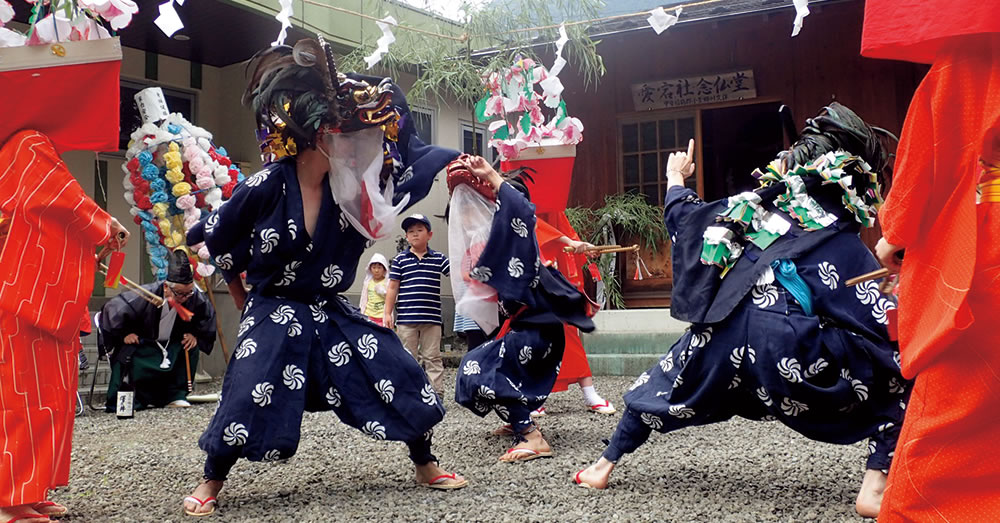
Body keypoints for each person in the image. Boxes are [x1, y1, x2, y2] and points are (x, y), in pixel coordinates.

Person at [573, 104, 910, 518]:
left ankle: (602, 465)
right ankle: (874, 488)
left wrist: (676, 178)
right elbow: (879, 318)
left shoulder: (752, 209)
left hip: (725, 336)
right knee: (905, 376)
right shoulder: (838, 238)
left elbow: (688, 220)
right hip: (791, 351)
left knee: (664, 379)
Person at [182, 38, 467, 517]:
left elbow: (419, 161)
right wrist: (246, 299)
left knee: (394, 366)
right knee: (249, 382)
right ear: (323, 135)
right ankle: (212, 479)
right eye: (357, 140)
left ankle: (425, 462)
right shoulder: (266, 184)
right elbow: (221, 240)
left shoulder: (352, 193)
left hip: (328, 307)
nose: (366, 150)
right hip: (273, 305)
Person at [861, 4, 1000, 518]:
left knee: (956, 412)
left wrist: (893, 238)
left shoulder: (966, 61)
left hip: (987, 252)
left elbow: (924, 166)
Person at [0, 129, 130, 523]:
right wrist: (103, 223)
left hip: (39, 296)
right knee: (20, 398)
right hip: (20, 298)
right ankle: (9, 499)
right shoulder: (27, 143)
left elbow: (53, 210)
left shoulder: (27, 145)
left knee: (50, 398)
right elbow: (59, 199)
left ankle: (33, 488)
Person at [450, 156, 597, 462]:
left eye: (469, 207)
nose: (465, 215)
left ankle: (530, 434)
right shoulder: (495, 242)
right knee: (490, 369)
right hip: (529, 327)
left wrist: (491, 175)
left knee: (477, 370)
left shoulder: (514, 236)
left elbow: (518, 208)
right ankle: (517, 419)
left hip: (538, 329)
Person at [100, 249, 217, 411]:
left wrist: (195, 335)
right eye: (180, 294)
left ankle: (175, 395)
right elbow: (112, 309)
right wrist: (124, 333)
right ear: (166, 288)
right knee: (126, 352)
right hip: (143, 343)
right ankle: (131, 400)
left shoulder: (194, 297)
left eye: (188, 293)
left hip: (173, 344)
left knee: (190, 347)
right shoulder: (145, 295)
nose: (184, 298)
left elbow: (206, 316)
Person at [532, 216, 614, 416]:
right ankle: (535, 396)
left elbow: (568, 237)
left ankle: (589, 393)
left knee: (570, 336)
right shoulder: (518, 207)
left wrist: (583, 249)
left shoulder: (556, 212)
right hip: (534, 281)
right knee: (534, 343)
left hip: (557, 278)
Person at [384, 214, 451, 394]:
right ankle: (410, 393)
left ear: (429, 235)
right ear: (406, 237)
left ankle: (436, 393)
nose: (415, 234)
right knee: (407, 357)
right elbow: (392, 288)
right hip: (406, 318)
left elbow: (455, 273)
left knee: (433, 357)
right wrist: (387, 313)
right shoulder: (400, 260)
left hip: (432, 318)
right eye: (411, 231)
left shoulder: (438, 259)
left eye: (420, 230)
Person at [358, 253, 389, 326]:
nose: (376, 270)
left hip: (382, 317)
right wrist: (361, 314)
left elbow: (393, 299)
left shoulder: (387, 282)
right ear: (370, 269)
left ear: (384, 269)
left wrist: (384, 292)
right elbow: (363, 299)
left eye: (379, 268)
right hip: (368, 316)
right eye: (374, 267)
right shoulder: (367, 282)